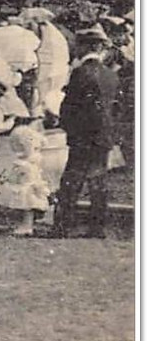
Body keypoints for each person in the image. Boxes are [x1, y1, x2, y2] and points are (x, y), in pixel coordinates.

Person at [53, 27, 119, 238]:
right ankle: (97, 227)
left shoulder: (80, 72)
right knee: (98, 181)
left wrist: (65, 125)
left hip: (82, 134)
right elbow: (117, 107)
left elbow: (70, 104)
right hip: (103, 135)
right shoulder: (110, 75)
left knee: (72, 181)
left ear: (85, 47)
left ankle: (63, 226)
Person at [0, 123, 50, 237]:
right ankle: (26, 225)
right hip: (31, 186)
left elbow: (15, 176)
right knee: (27, 209)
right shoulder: (33, 162)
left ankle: (26, 226)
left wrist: (6, 178)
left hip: (25, 188)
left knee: (25, 207)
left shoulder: (22, 164)